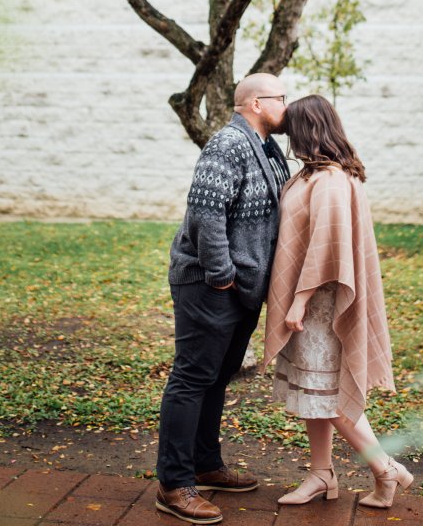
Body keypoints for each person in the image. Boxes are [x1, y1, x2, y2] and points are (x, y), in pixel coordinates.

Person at [263, 95, 413, 510]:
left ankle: (386, 469)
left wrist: (298, 302)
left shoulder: (330, 180)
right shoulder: (317, 174)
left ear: (305, 131)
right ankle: (322, 473)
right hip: (311, 303)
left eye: (292, 130)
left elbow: (325, 253)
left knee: (328, 393)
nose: (288, 138)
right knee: (315, 392)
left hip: (320, 305)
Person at [156, 73, 291, 524]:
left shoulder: (270, 151)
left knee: (218, 376)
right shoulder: (227, 144)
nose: (286, 105)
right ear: (255, 103)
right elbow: (205, 214)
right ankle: (174, 485)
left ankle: (206, 465)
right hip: (210, 284)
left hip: (241, 288)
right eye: (280, 98)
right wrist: (220, 276)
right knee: (193, 377)